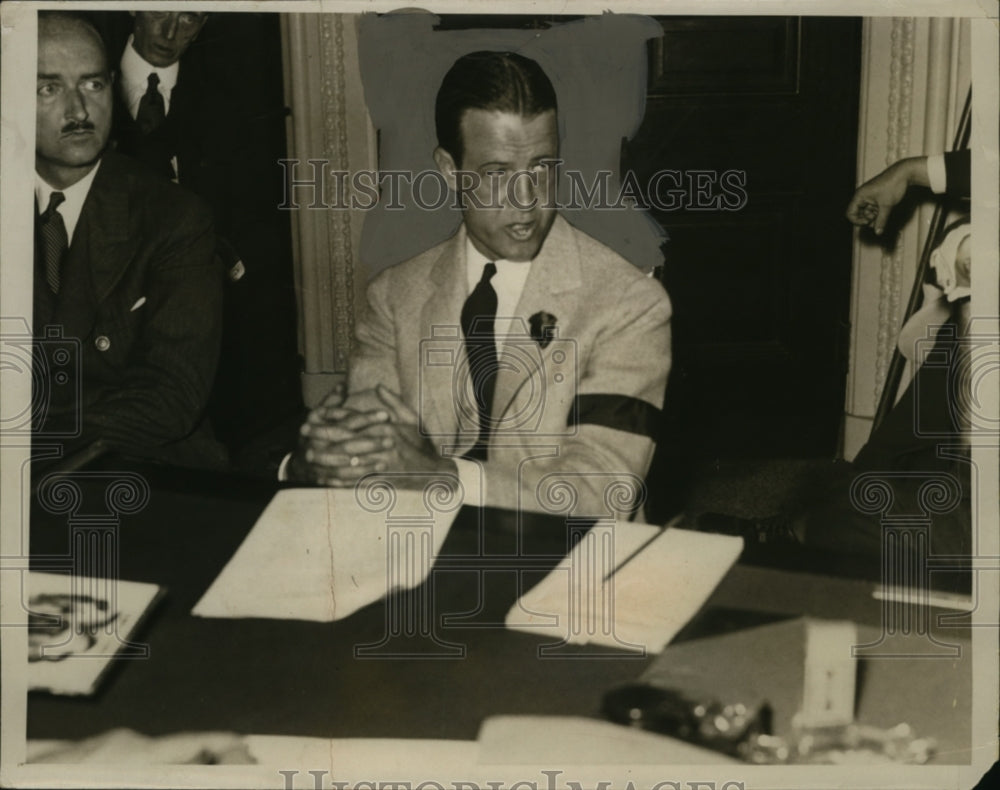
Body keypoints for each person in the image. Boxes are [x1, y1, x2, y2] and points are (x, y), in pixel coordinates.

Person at [287, 51, 672, 517]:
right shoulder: (393, 296)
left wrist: (444, 477)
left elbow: (601, 492)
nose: (526, 199)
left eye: (542, 167)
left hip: (567, 553)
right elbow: (369, 453)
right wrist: (315, 463)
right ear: (450, 171)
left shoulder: (630, 303)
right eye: (497, 173)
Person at [33, 11, 226, 469]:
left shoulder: (174, 218)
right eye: (48, 89)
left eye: (93, 84)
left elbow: (170, 396)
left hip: (139, 472)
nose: (79, 112)